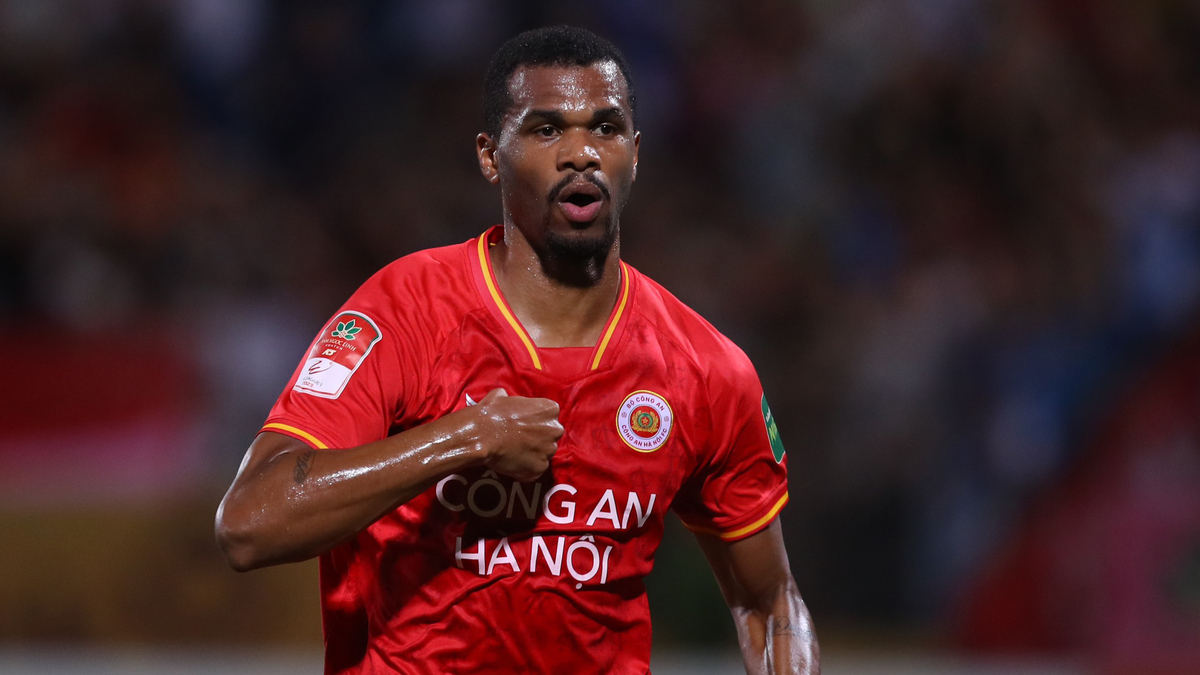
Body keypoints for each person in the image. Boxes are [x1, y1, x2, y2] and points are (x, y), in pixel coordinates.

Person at [215, 25, 819, 675]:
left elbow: (768, 602)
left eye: (606, 128)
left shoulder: (706, 369)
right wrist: (464, 437)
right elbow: (250, 523)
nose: (581, 153)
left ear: (635, 153)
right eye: (547, 129)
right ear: (490, 156)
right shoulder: (405, 311)